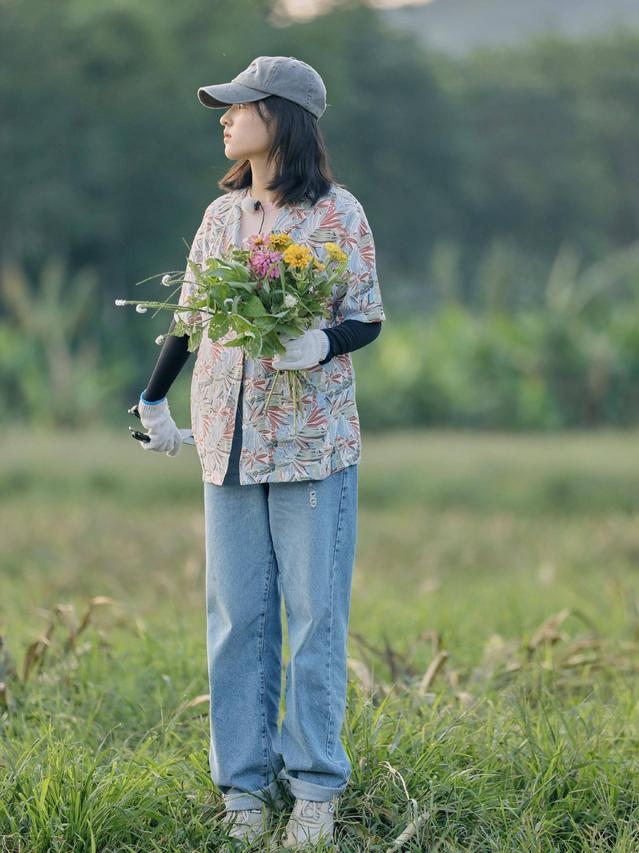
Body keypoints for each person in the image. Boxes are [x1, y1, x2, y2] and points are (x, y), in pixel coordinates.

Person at [134, 56, 386, 849]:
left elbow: (369, 317)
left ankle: (314, 787)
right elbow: (188, 318)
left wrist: (323, 341)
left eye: (240, 106)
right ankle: (244, 788)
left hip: (311, 443)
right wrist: (153, 397)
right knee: (237, 617)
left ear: (281, 117)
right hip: (228, 438)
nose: (226, 117)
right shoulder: (221, 219)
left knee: (313, 617)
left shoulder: (340, 215)